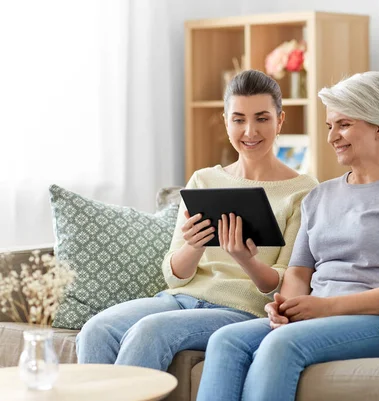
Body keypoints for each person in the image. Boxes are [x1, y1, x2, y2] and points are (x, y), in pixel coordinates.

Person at [196, 71, 379, 401]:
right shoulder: (320, 195)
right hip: (318, 315)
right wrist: (286, 307)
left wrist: (324, 308)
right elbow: (299, 273)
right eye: (330, 127)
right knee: (225, 340)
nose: (332, 137)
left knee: (283, 344)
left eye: (343, 125)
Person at [76, 70, 318, 370]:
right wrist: (194, 246)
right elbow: (174, 274)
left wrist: (245, 260)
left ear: (279, 120)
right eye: (239, 119)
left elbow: (284, 286)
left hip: (241, 310)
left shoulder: (303, 191)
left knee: (149, 332)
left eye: (262, 118)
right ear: (226, 121)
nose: (250, 131)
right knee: (96, 330)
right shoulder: (204, 180)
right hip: (181, 298)